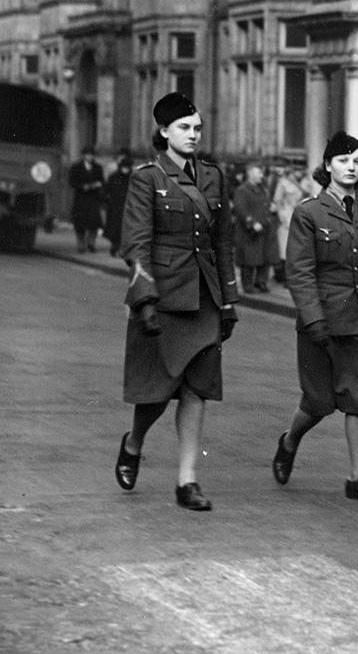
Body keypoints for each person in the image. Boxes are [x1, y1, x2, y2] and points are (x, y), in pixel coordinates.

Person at [113, 92, 238, 511]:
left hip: (203, 297)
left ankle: (187, 481)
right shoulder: (147, 177)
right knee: (156, 393)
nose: (193, 135)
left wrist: (229, 300)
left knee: (196, 388)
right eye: (184, 128)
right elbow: (136, 242)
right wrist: (145, 299)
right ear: (164, 132)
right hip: (163, 299)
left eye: (198, 128)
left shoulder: (214, 177)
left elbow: (223, 242)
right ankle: (133, 443)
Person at [271, 132, 358, 502]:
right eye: (343, 160)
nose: (352, 167)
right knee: (319, 401)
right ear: (327, 166)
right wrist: (314, 319)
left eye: (357, 161)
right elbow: (300, 271)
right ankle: (289, 441)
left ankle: (357, 477)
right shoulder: (309, 212)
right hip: (321, 318)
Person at [233, 162, 276, 293]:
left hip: (264, 228)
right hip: (249, 231)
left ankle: (261, 282)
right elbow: (241, 209)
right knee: (249, 259)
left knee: (265, 257)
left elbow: (265, 204)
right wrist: (251, 223)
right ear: (250, 174)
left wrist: (271, 207)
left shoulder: (262, 189)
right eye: (259, 173)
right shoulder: (242, 190)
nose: (262, 176)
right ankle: (247, 284)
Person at [271, 166, 306, 283]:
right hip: (287, 217)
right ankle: (283, 275)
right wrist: (282, 217)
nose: (300, 173)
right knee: (284, 248)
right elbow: (278, 200)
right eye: (298, 170)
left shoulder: (301, 183)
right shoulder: (283, 183)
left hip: (297, 216)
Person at [68, 146, 105, 253]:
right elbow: (71, 182)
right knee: (80, 222)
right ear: (84, 156)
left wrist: (98, 184)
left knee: (94, 222)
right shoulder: (76, 167)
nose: (90, 157)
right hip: (81, 198)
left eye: (92, 155)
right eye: (88, 155)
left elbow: (102, 180)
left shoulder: (98, 167)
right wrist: (82, 186)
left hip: (93, 198)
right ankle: (81, 244)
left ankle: (91, 242)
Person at [103, 152, 135, 257]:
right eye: (124, 167)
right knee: (115, 230)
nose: (125, 170)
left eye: (127, 168)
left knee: (126, 230)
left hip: (129, 208)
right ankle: (115, 247)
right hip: (115, 207)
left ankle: (123, 249)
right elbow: (106, 191)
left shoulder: (133, 178)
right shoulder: (114, 177)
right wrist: (107, 202)